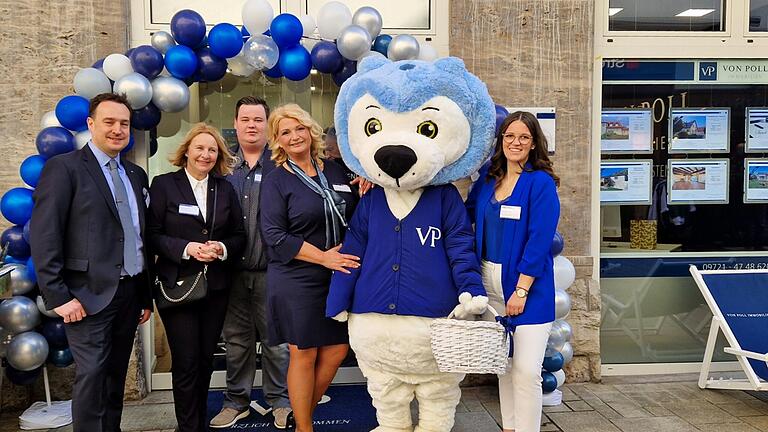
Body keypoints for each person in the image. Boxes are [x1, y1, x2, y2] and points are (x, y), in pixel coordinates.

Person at [30, 92, 153, 432]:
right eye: (109, 122)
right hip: (86, 297)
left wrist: (144, 296)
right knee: (92, 378)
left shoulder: (135, 174)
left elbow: (138, 237)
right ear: (90, 124)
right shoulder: (64, 168)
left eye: (124, 124)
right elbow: (45, 235)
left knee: (114, 380)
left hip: (129, 295)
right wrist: (58, 297)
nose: (117, 130)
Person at [260, 104, 359, 432]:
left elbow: (353, 210)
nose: (294, 136)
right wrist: (323, 257)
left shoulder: (335, 171)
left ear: (310, 131)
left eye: (298, 128)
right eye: (285, 132)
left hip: (335, 275)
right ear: (278, 141)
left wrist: (365, 186)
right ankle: (305, 427)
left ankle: (299, 415)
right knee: (303, 352)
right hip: (297, 275)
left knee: (337, 349)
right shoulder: (276, 181)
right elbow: (274, 235)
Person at [465, 111, 561, 432]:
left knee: (526, 371)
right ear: (501, 141)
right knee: (503, 366)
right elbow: (463, 217)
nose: (515, 142)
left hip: (527, 288)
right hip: (489, 284)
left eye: (523, 137)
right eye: (509, 136)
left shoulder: (540, 183)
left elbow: (539, 239)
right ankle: (510, 427)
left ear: (534, 143)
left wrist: (521, 290)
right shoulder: (488, 181)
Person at [147, 123, 246, 432]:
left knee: (204, 361)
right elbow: (151, 235)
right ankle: (188, 427)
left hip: (215, 287)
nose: (205, 154)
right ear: (187, 151)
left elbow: (238, 235)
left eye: (212, 150)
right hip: (178, 286)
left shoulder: (225, 188)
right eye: (200, 148)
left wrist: (221, 248)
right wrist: (188, 248)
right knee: (187, 361)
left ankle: (196, 422)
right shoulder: (163, 185)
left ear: (218, 156)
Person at [210, 96, 292, 430]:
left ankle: (280, 401)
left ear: (267, 125)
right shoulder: (223, 168)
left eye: (258, 119)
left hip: (273, 271)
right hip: (231, 274)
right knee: (237, 342)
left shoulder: (283, 167)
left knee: (277, 342)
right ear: (236, 122)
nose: (251, 125)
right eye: (245, 119)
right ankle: (236, 402)